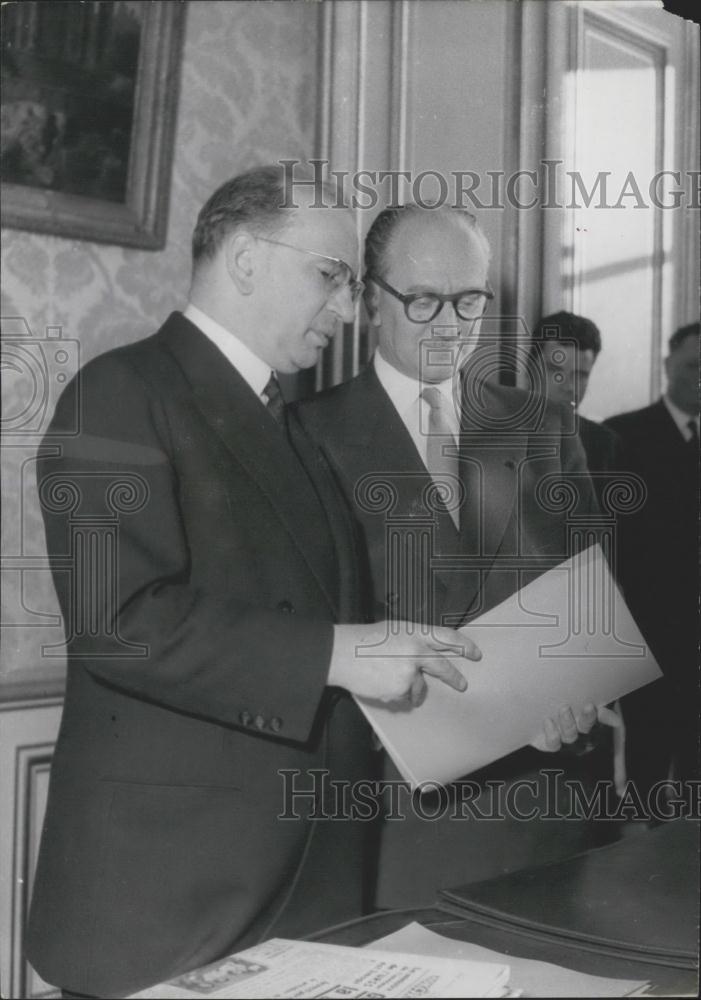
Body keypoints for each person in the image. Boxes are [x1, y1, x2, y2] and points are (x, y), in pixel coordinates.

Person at [25, 167, 481, 998]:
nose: (347, 310)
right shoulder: (117, 393)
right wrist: (338, 653)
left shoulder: (288, 422)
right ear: (242, 259)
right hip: (169, 897)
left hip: (301, 885)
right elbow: (117, 621)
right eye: (330, 277)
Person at [298, 204, 622, 907]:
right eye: (421, 300)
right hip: (394, 826)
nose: (449, 323)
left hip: (546, 812)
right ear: (367, 300)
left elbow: (592, 607)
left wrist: (580, 694)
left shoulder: (544, 427)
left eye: (469, 298)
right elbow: (292, 639)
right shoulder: (302, 437)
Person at [604, 322, 700, 795]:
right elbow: (606, 541)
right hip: (648, 635)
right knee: (647, 769)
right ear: (667, 367)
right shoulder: (624, 437)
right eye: (692, 366)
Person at [528, 311, 624, 497]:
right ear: (530, 368)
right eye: (555, 370)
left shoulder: (605, 444)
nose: (569, 386)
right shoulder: (493, 432)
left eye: (580, 375)